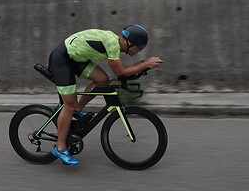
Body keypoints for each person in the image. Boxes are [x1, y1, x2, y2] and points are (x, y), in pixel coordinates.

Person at [48, 24, 163, 165]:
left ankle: (78, 110)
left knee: (102, 80)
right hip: (62, 59)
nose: (139, 51)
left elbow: (123, 71)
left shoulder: (114, 43)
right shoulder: (112, 44)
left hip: (76, 59)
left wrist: (144, 64)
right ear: (130, 42)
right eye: (139, 48)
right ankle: (60, 148)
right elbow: (120, 72)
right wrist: (145, 63)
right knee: (69, 105)